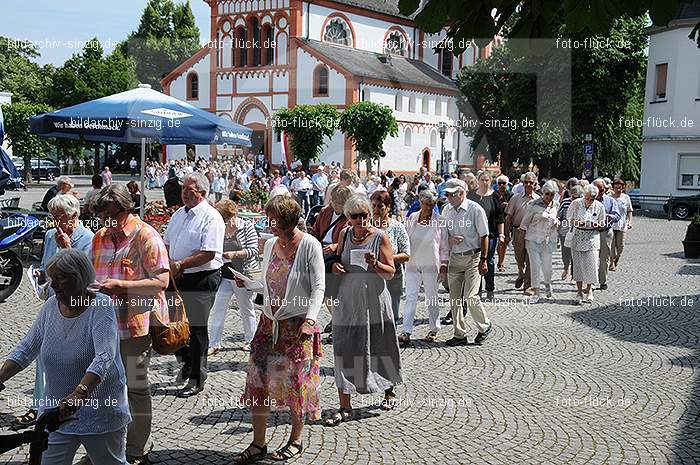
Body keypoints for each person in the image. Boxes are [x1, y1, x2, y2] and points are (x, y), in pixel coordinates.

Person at [0, 249, 130, 465]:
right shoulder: (51, 306)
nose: (53, 285)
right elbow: (27, 347)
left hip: (100, 409)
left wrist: (80, 393)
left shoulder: (101, 306)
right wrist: (1, 376)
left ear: (79, 278)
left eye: (60, 278)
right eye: (52, 278)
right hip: (56, 412)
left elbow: (105, 356)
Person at [232, 195, 324, 463]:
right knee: (257, 380)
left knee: (296, 383)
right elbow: (270, 283)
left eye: (272, 219)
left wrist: (310, 320)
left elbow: (319, 286)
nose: (269, 223)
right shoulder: (271, 244)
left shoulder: (309, 245)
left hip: (297, 325)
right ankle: (258, 444)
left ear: (287, 220)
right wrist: (249, 284)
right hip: (268, 324)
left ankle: (296, 440)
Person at [91, 183, 170, 465]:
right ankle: (106, 447)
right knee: (104, 386)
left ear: (127, 210)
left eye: (111, 216)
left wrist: (121, 286)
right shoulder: (99, 237)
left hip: (136, 326)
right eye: (102, 217)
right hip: (102, 325)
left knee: (136, 387)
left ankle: (137, 449)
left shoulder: (146, 235)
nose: (106, 223)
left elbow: (162, 281)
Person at [13, 195, 95, 431]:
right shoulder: (50, 235)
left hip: (78, 308)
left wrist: (67, 248)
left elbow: (87, 278)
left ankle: (70, 405)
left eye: (60, 217)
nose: (55, 222)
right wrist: (40, 275)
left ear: (74, 216)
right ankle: (39, 406)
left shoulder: (87, 239)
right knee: (44, 354)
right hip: (53, 304)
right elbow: (46, 266)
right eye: (52, 217)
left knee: (74, 358)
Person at [326, 194, 403, 424]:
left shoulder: (380, 237)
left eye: (364, 215)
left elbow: (390, 272)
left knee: (381, 344)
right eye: (355, 216)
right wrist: (336, 266)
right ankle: (345, 405)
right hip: (348, 300)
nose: (361, 220)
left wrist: (376, 263)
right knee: (344, 347)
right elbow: (338, 258)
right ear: (347, 218)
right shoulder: (344, 234)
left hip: (374, 300)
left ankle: (389, 390)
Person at [164, 172, 224, 397]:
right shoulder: (179, 214)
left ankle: (197, 377)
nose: (185, 193)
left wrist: (181, 264)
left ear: (203, 193)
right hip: (176, 275)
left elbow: (208, 253)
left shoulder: (211, 217)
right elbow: (167, 242)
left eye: (190, 190)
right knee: (169, 323)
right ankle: (187, 360)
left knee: (197, 328)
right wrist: (170, 263)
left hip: (201, 277)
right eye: (183, 189)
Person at [441, 178, 492, 346]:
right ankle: (459, 334)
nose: (448, 197)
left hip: (473, 256)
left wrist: (484, 260)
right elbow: (442, 236)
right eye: (447, 194)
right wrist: (450, 239)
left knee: (470, 296)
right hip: (455, 257)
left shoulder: (475, 209)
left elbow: (484, 235)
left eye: (451, 194)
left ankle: (485, 326)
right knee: (454, 299)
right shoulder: (446, 210)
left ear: (462, 193)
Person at [208, 200, 259, 355]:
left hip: (242, 274)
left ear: (232, 216)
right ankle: (214, 343)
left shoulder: (246, 226)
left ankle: (251, 340)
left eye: (224, 218)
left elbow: (254, 250)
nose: (223, 222)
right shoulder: (219, 228)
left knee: (246, 308)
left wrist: (235, 254)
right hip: (225, 275)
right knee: (218, 308)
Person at [400, 189, 448, 344]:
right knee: (410, 297)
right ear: (420, 202)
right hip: (413, 263)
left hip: (431, 265)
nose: (429, 208)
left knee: (432, 298)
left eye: (432, 204)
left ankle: (434, 329)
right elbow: (405, 240)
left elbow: (444, 246)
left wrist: (444, 265)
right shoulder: (412, 217)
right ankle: (406, 331)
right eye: (426, 204)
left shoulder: (439, 220)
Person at [370, 190, 410, 323]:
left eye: (380, 206)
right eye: (373, 206)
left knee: (392, 314)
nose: (376, 209)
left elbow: (406, 254)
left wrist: (385, 259)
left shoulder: (397, 227)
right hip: (371, 275)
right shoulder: (366, 226)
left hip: (393, 275)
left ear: (388, 207)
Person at [519, 181, 560, 302]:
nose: (549, 197)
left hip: (547, 240)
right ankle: (536, 292)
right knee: (535, 266)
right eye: (547, 194)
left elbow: (556, 219)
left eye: (552, 194)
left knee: (547, 268)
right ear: (543, 193)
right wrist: (521, 240)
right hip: (533, 239)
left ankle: (547, 283)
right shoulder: (533, 204)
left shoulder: (556, 205)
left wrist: (557, 222)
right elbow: (524, 223)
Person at [467, 172, 505, 300]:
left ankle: (490, 289)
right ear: (478, 181)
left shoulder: (495, 196)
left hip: (490, 235)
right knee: (475, 261)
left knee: (488, 260)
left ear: (491, 182)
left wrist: (501, 234)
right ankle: (476, 289)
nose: (484, 182)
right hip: (474, 234)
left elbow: (500, 218)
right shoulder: (471, 195)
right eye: (482, 180)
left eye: (487, 180)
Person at [567, 184, 606, 304]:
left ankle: (589, 290)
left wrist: (596, 225)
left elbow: (602, 224)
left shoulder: (599, 206)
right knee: (578, 265)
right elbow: (569, 219)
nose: (589, 201)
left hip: (592, 238)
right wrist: (579, 222)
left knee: (592, 265)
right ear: (584, 195)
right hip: (578, 236)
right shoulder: (576, 204)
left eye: (592, 199)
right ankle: (579, 292)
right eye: (587, 198)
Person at [505, 172, 539, 293]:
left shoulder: (539, 200)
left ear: (535, 184)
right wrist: (507, 234)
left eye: (531, 182)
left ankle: (527, 286)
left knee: (531, 259)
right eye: (526, 182)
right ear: (523, 183)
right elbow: (508, 217)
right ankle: (520, 273)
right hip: (518, 231)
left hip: (533, 233)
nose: (528, 184)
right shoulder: (515, 198)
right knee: (519, 258)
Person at [592, 178, 621, 290]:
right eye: (597, 190)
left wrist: (609, 216)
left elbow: (617, 216)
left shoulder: (610, 201)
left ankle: (602, 281)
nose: (599, 193)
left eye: (601, 190)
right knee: (592, 257)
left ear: (605, 189)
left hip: (605, 231)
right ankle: (592, 281)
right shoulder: (589, 199)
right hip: (592, 232)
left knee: (604, 257)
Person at [558, 184, 583, 282]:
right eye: (573, 197)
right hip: (565, 230)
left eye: (577, 197)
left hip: (578, 231)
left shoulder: (582, 203)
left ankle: (574, 275)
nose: (574, 199)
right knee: (565, 253)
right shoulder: (565, 202)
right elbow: (559, 215)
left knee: (575, 254)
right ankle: (566, 268)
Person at [610, 178, 633, 271]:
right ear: (613, 188)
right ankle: (612, 263)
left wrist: (630, 221)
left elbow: (629, 211)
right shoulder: (610, 198)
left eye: (620, 188)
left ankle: (616, 260)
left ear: (623, 188)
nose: (618, 190)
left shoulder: (625, 198)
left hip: (622, 225)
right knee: (611, 245)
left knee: (620, 246)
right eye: (616, 187)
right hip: (610, 225)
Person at [494, 175, 511, 272]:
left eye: (503, 183)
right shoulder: (493, 194)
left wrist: (507, 205)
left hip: (505, 221)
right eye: (499, 183)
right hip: (494, 220)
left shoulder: (510, 195)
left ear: (507, 184)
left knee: (503, 242)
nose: (501, 185)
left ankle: (501, 262)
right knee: (495, 243)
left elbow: (513, 208)